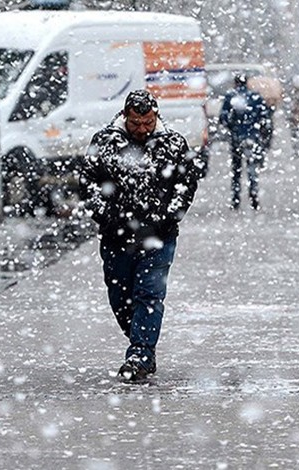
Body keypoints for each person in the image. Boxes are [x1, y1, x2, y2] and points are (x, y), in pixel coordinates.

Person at [80, 90, 200, 382]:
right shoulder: (105, 142)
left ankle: (141, 354)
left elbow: (186, 185)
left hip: (158, 237)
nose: (142, 129)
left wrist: (168, 217)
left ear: (156, 116)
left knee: (149, 294)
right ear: (125, 116)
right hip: (117, 236)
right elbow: (88, 182)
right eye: (136, 123)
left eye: (147, 122)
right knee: (120, 296)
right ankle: (139, 338)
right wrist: (105, 216)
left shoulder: (173, 144)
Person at [219, 74, 273, 211]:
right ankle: (253, 196)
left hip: (236, 137)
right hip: (253, 137)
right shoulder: (255, 97)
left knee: (237, 169)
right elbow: (265, 117)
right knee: (252, 168)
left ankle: (236, 199)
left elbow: (224, 118)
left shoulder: (231, 97)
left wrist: (232, 127)